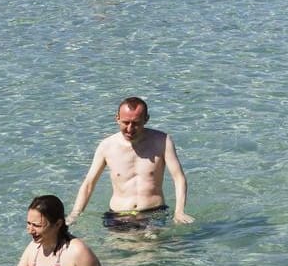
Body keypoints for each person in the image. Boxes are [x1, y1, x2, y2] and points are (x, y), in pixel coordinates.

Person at [67, 97, 195, 229]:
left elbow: (178, 178)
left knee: (149, 247)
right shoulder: (106, 146)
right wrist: (75, 214)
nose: (130, 128)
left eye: (136, 123)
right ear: (117, 118)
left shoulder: (162, 141)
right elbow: (89, 183)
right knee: (117, 248)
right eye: (125, 122)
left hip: (153, 213)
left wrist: (179, 211)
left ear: (146, 119)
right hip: (118, 215)